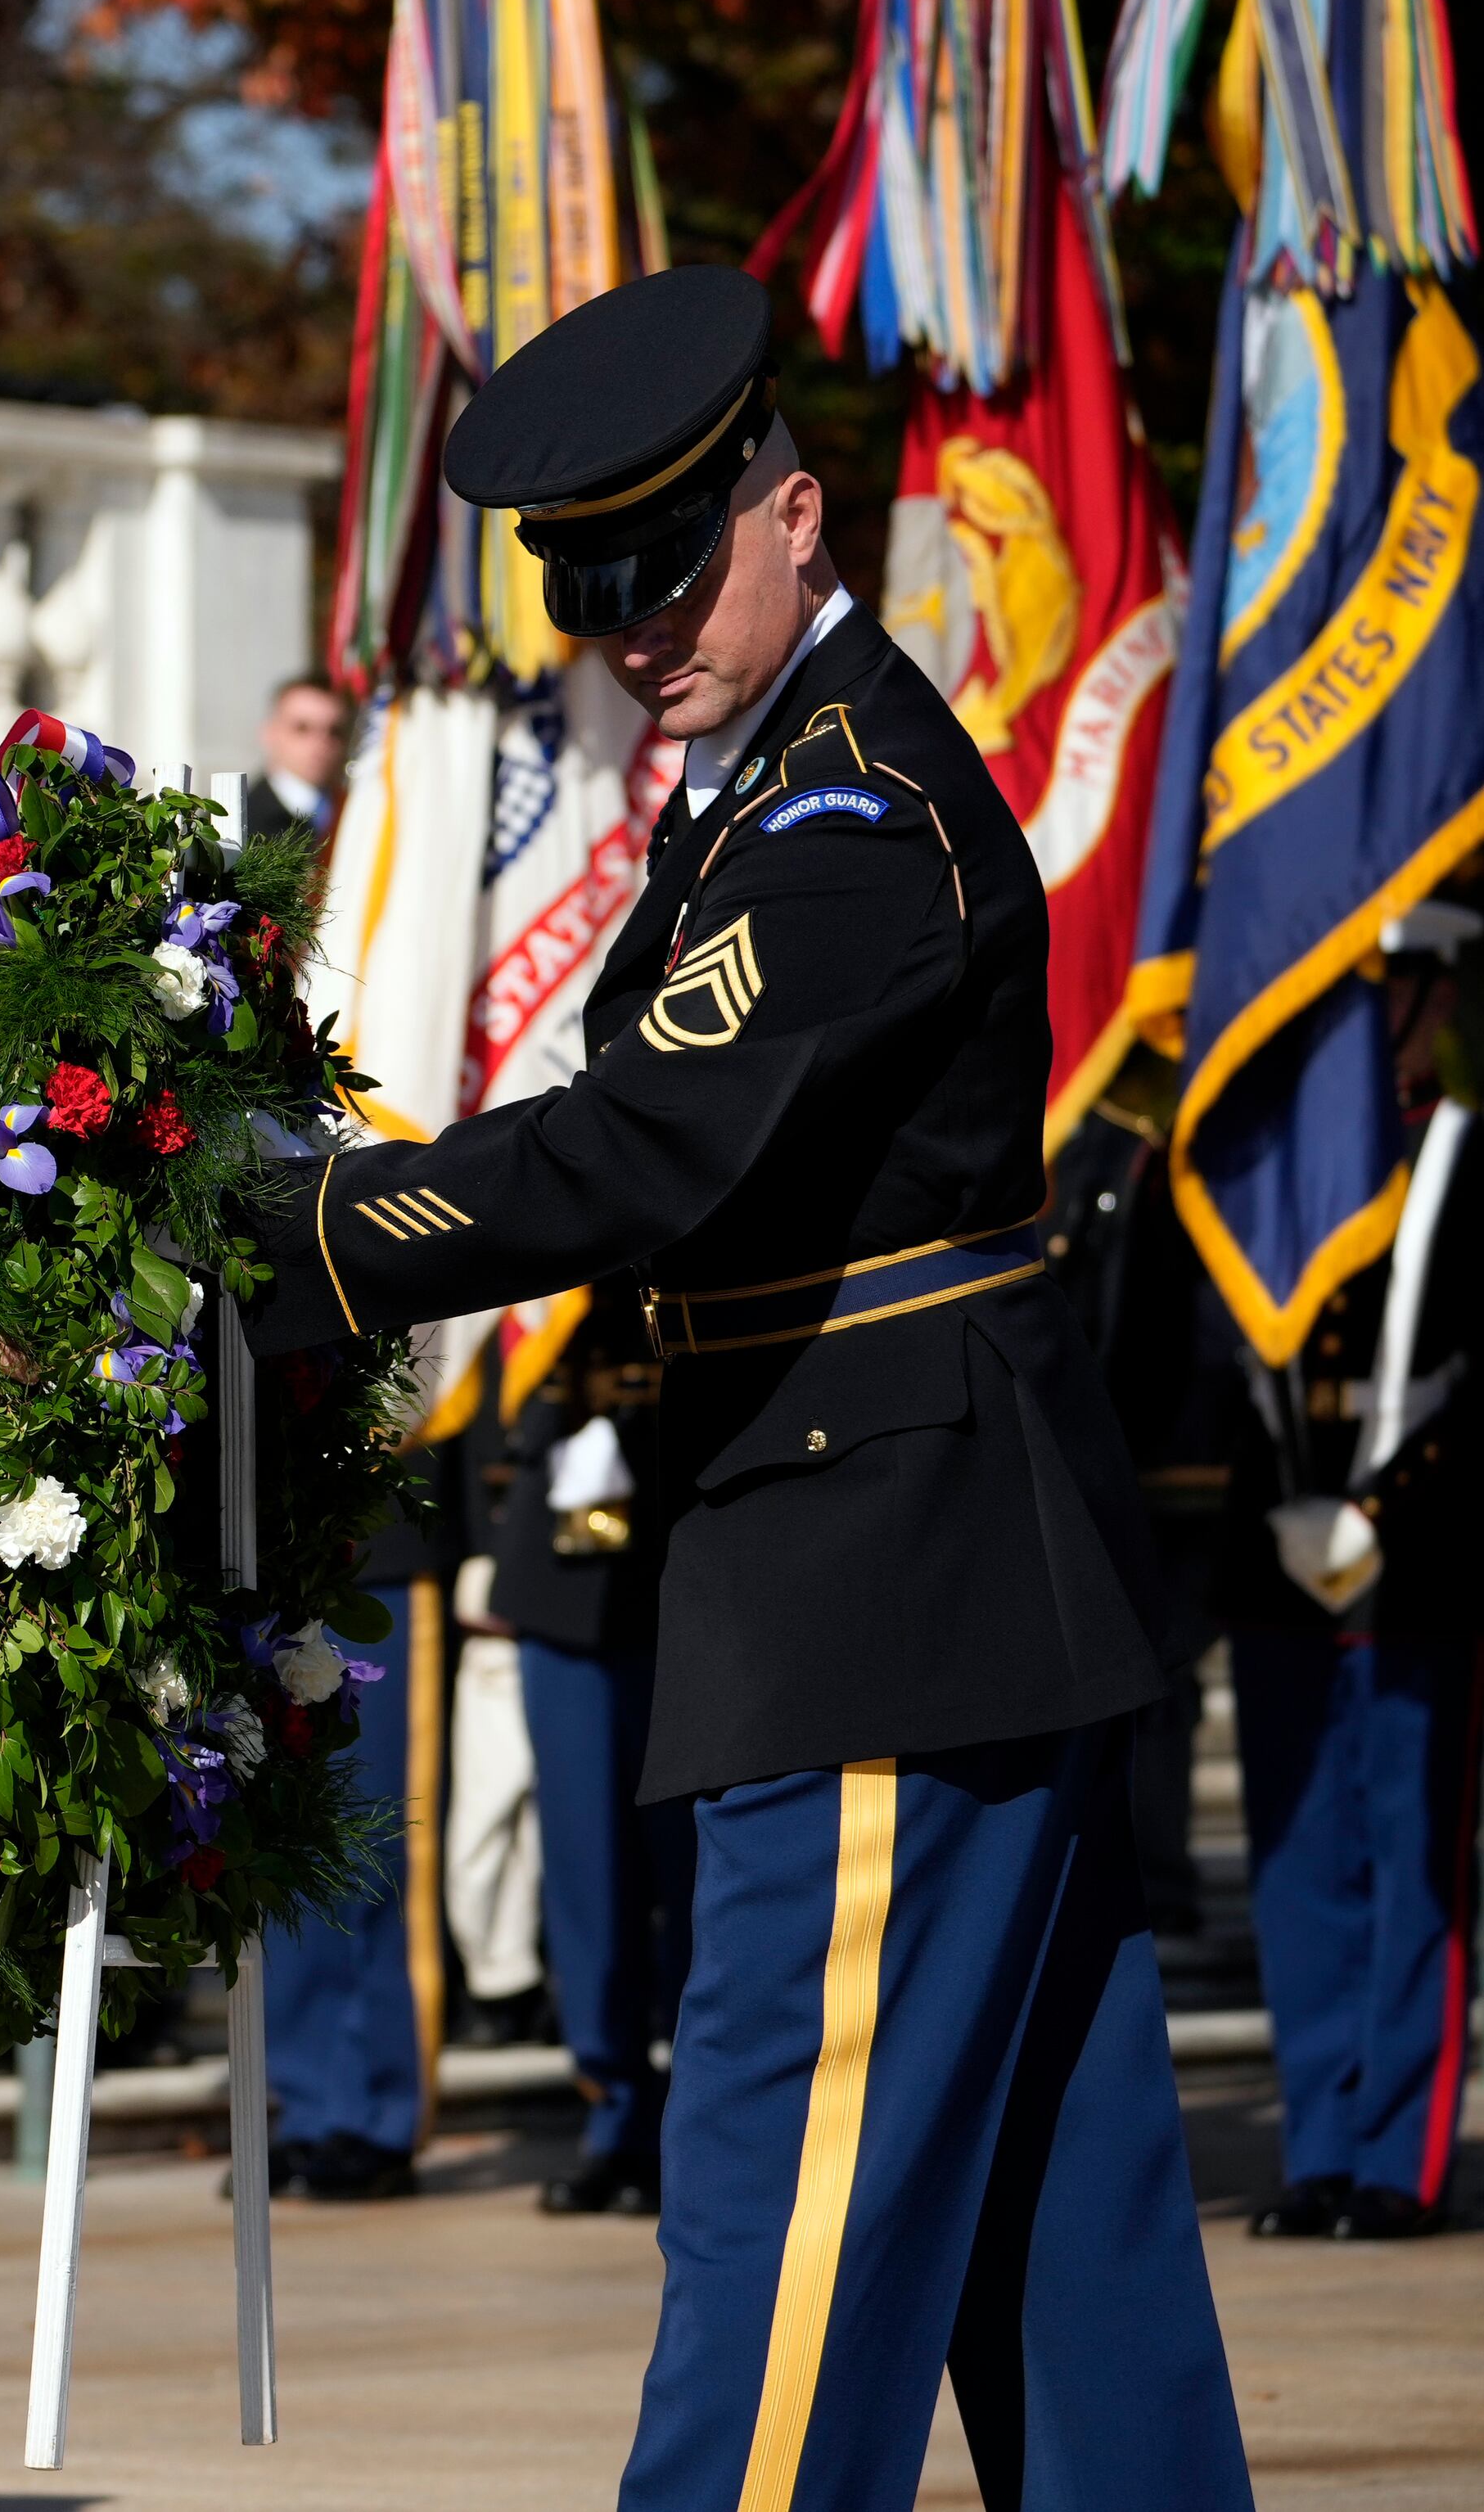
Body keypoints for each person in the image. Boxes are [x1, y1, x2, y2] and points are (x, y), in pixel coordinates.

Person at [234, 265, 1248, 2506]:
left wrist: (276, 1239)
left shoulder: (847, 813)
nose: (630, 625)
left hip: (877, 1579)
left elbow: (629, 1151)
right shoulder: (753, 787)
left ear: (801, 514)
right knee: (1060, 2241)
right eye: (588, 586)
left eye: (670, 569)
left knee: (784, 2229)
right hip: (922, 1563)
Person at [1214, 914, 1480, 2243]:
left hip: (1415, 1558)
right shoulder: (1275, 1164)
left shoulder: (1466, 1150)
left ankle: (1398, 2153)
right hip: (1281, 1551)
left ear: (1441, 998)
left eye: (1393, 993)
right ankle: (1319, 2139)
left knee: (1410, 1861)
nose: (1371, 1024)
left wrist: (1382, 1501)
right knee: (1298, 1864)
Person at [474, 1274, 695, 2214]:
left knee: (693, 1876)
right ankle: (611, 2112)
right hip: (564, 1585)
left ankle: (701, 2119)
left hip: (690, 1571)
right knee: (585, 1875)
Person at [244, 674, 350, 849]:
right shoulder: (233, 821)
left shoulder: (359, 812)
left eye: (335, 731)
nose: (321, 743)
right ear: (270, 733)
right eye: (302, 728)